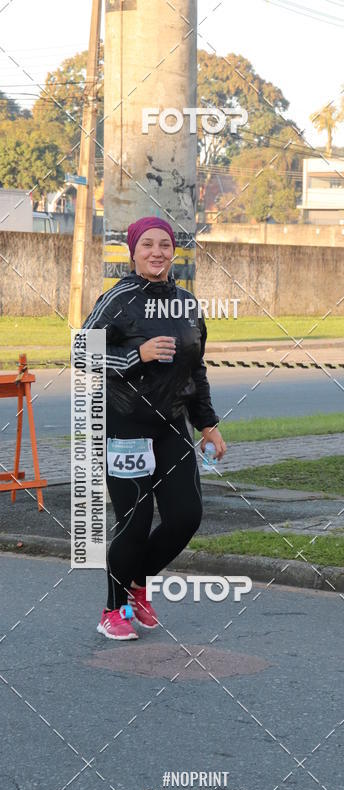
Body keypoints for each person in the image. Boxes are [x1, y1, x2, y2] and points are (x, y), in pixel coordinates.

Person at [83, 216, 226, 640]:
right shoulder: (119, 299)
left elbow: (194, 368)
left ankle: (137, 581)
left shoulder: (186, 305)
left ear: (173, 251)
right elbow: (81, 354)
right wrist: (136, 355)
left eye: (164, 244)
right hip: (124, 425)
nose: (157, 252)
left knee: (186, 516)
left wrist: (208, 425)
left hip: (171, 427)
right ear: (133, 251)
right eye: (147, 244)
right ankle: (113, 608)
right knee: (136, 519)